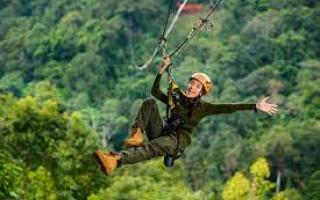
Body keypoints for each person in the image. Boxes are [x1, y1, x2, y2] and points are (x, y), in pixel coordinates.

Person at [95, 57, 278, 175]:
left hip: (175, 142)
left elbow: (229, 107)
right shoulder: (177, 99)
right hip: (163, 132)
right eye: (191, 83)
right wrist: (161, 71)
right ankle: (137, 134)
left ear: (201, 93)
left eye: (197, 86)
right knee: (150, 103)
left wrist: (255, 105)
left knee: (151, 148)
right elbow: (154, 91)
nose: (192, 87)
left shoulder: (203, 108)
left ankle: (116, 159)